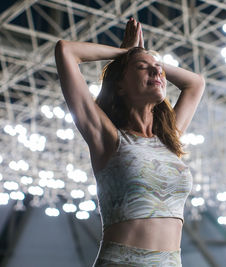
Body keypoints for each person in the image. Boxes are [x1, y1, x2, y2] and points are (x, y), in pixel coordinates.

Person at [54, 17, 205, 266]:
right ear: (120, 86)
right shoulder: (107, 137)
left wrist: (144, 58)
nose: (157, 71)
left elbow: (195, 83)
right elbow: (66, 50)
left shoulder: (169, 139)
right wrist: (126, 53)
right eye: (141, 68)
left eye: (158, 68)